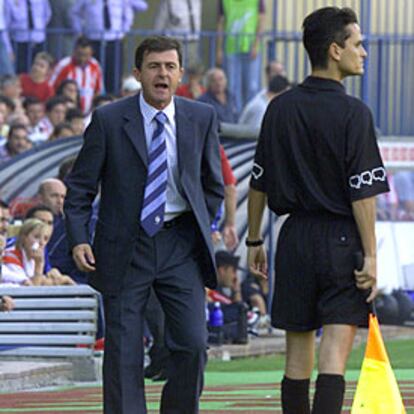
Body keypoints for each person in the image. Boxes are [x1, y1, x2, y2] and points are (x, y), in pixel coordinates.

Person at [64, 36, 223, 414]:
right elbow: (80, 188)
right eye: (154, 66)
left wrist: (197, 225)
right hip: (124, 246)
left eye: (170, 66)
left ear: (181, 73)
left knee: (192, 343)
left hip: (180, 245)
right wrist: (78, 238)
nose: (162, 74)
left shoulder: (200, 117)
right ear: (138, 74)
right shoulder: (108, 120)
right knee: (123, 349)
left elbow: (212, 184)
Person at [247, 7, 389, 414]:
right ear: (334, 50)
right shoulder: (354, 114)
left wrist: (254, 238)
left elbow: (259, 179)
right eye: (357, 44)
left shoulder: (280, 108)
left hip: (293, 239)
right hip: (341, 242)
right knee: (333, 362)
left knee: (296, 363)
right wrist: (372, 256)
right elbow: (362, 192)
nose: (363, 52)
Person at [70, 0, 148, 94]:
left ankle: (113, 98)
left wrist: (123, 31)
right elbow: (74, 12)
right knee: (94, 72)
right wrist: (78, 32)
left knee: (114, 74)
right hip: (93, 40)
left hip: (114, 40)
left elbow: (130, 12)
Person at [216, 0, 265, 114]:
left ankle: (251, 118)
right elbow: (220, 24)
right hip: (231, 48)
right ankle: (235, 119)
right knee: (232, 87)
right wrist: (219, 49)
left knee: (252, 87)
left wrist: (256, 45)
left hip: (251, 48)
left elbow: (261, 21)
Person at [49, 36, 104, 115]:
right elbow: (52, 88)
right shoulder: (64, 65)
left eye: (86, 55)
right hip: (67, 114)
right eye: (79, 54)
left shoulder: (95, 66)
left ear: (91, 53)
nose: (82, 58)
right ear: (74, 51)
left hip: (88, 114)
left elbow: (98, 90)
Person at [5, 0, 51, 73]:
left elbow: (47, 15)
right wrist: (9, 49)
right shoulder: (10, 1)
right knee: (22, 73)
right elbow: (6, 24)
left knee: (39, 72)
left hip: (39, 42)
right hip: (20, 43)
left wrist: (38, 29)